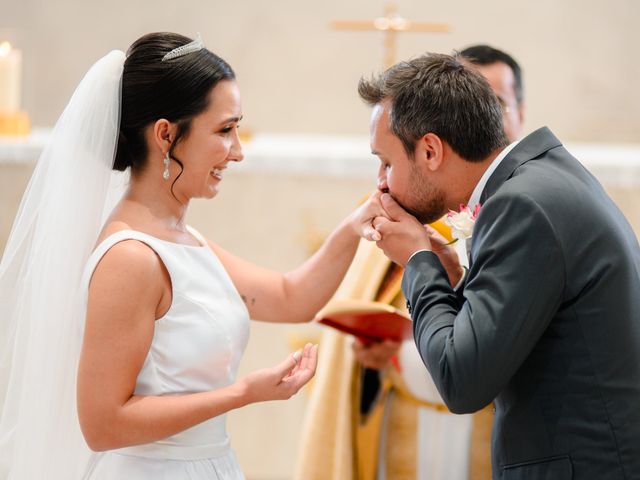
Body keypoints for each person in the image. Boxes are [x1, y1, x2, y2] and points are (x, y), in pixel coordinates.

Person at [0, 32, 386, 479]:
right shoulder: (131, 257)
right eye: (224, 130)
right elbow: (103, 425)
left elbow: (289, 297)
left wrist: (356, 224)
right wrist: (242, 393)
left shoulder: (184, 239)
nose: (238, 152)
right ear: (165, 134)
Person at [362, 52, 640, 478]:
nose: (381, 181)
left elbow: (462, 381)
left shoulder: (520, 205)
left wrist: (417, 262)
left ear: (431, 150)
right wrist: (454, 273)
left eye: (387, 162)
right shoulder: (543, 179)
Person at [294, 45, 525, 480]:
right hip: (407, 432)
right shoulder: (406, 208)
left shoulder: (523, 213)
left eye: (495, 104)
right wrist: (384, 354)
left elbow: (507, 347)